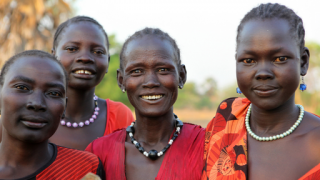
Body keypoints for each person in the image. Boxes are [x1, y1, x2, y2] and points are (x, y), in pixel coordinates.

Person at [202, 3, 320, 180]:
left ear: (303, 62)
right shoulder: (226, 120)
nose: (263, 73)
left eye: (279, 59)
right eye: (249, 60)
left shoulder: (316, 144)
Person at [86, 28, 205, 180]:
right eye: (136, 71)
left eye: (163, 70)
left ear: (181, 76)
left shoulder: (207, 146)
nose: (151, 82)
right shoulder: (99, 152)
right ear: (121, 80)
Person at [0, 50, 105, 180]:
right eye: (22, 88)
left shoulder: (84, 169)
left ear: (64, 107)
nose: (37, 103)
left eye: (53, 93)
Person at [49, 16, 134, 150]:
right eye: (72, 49)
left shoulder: (120, 117)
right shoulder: (33, 112)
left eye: (97, 51)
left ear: (108, 62)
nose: (85, 58)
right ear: (53, 56)